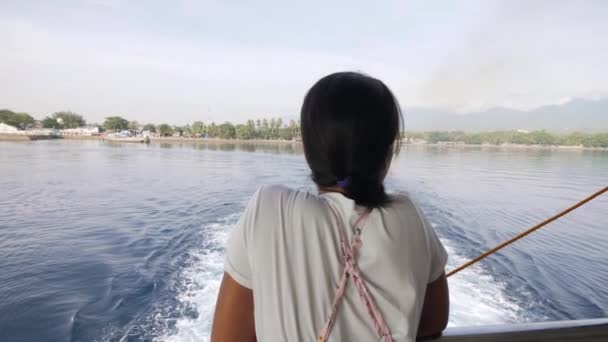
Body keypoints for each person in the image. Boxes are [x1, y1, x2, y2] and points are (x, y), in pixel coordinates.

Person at [211, 72, 449, 341]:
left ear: (309, 150)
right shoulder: (410, 215)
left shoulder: (269, 207)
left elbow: (226, 338)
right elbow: (433, 320)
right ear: (387, 153)